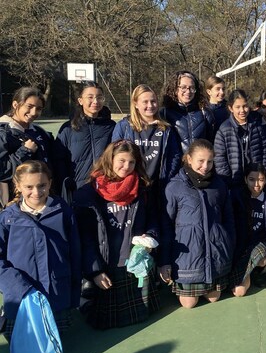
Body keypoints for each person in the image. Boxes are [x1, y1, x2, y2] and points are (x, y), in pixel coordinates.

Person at [73, 140, 159, 329]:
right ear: (109, 159)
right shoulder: (86, 195)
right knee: (100, 322)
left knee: (141, 316)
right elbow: (84, 238)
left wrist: (150, 237)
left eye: (132, 162)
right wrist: (95, 271)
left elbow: (153, 220)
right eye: (121, 161)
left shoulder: (142, 189)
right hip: (105, 268)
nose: (126, 167)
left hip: (134, 267)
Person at [0, 161, 81, 339]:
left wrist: (74, 296)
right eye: (29, 187)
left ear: (50, 183)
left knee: (52, 345)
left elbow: (75, 254)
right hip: (21, 297)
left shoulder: (63, 212)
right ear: (18, 186)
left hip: (56, 293)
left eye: (42, 185)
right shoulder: (7, 218)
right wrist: (16, 286)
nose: (36, 192)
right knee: (22, 344)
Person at [159, 139, 235, 307]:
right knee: (189, 303)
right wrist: (165, 261)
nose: (205, 166)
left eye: (210, 161)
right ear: (189, 159)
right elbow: (167, 225)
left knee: (214, 298)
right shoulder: (174, 187)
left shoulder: (219, 185)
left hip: (215, 253)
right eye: (200, 161)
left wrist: (229, 244)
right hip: (187, 257)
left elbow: (228, 218)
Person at [112, 84, 182, 213]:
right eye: (145, 102)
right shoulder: (124, 127)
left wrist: (166, 178)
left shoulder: (166, 129)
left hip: (158, 188)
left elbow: (175, 156)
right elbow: (114, 155)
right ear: (136, 104)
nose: (150, 105)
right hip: (131, 188)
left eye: (153, 101)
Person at [54, 81, 115, 195]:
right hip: (78, 190)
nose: (95, 101)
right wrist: (66, 186)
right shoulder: (68, 129)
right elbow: (59, 161)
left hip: (106, 189)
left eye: (99, 97)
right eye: (90, 97)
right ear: (80, 100)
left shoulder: (111, 126)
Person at [230, 163, 266, 297]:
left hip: (261, 244)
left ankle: (260, 272)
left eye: (261, 180)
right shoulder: (236, 197)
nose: (256, 184)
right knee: (239, 292)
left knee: (262, 256)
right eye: (252, 179)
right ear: (245, 179)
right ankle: (250, 273)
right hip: (242, 248)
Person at [0, 87, 53, 207]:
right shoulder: (3, 132)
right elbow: (2, 170)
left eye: (38, 108)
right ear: (15, 104)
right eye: (29, 106)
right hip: (13, 203)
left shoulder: (40, 132)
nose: (34, 112)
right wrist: (25, 151)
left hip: (42, 199)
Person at [214, 89, 266, 188]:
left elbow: (264, 150)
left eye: (245, 106)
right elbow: (219, 159)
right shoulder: (224, 130)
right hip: (234, 183)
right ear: (230, 108)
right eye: (237, 107)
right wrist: (228, 181)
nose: (242, 110)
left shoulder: (256, 126)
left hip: (256, 182)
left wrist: (263, 172)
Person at [161, 71, 214, 153]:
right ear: (175, 89)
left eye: (192, 88)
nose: (188, 91)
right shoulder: (164, 114)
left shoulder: (205, 113)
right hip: (176, 164)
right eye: (183, 87)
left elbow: (211, 141)